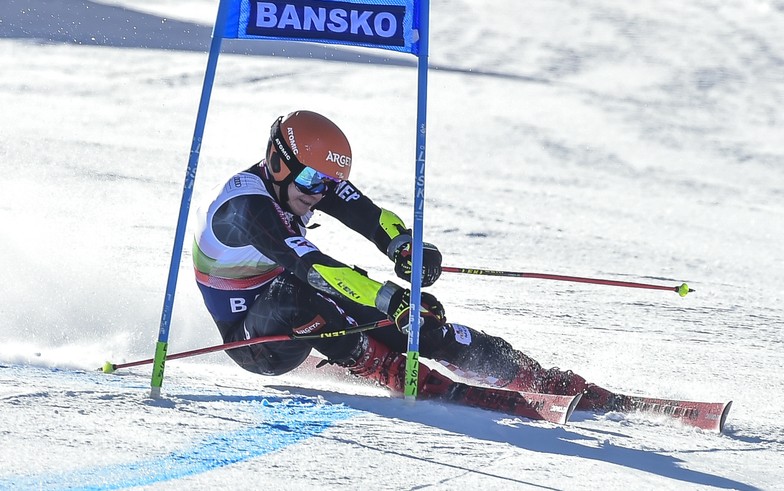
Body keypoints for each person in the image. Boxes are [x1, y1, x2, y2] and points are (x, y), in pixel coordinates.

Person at [192, 110, 612, 408]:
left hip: (310, 308)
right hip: (256, 342)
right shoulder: (245, 207)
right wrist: (391, 299)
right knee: (305, 291)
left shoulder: (309, 182)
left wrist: (406, 246)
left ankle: (534, 376)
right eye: (310, 179)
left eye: (329, 182)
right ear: (276, 162)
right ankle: (389, 368)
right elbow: (313, 267)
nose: (319, 192)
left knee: (420, 325)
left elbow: (374, 219)